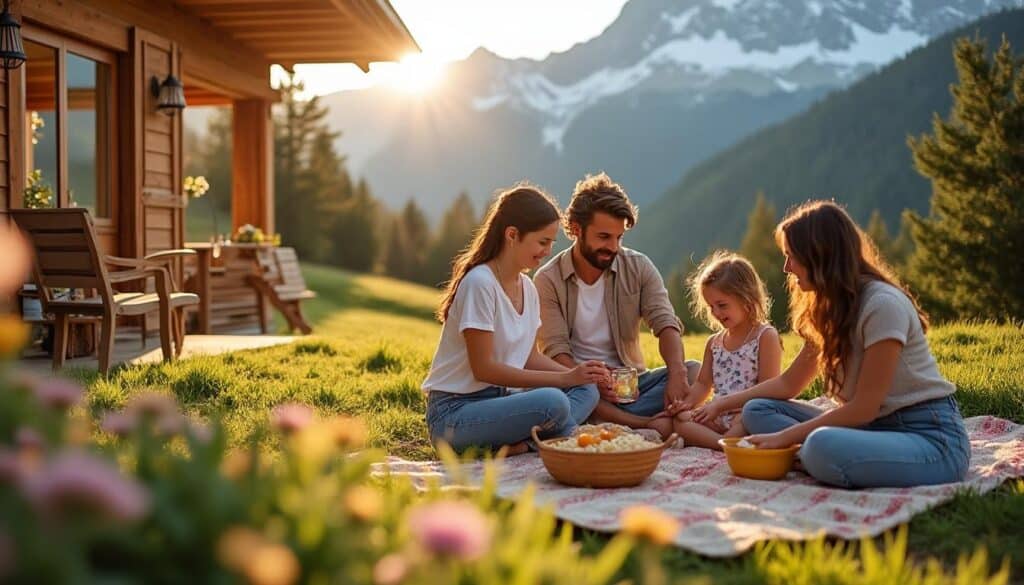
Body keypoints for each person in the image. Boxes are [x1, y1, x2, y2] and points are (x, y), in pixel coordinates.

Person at [715, 200, 970, 488]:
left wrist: (783, 438)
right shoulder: (830, 309)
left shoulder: (881, 305)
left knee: (821, 445)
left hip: (929, 438)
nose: (787, 267)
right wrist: (722, 403)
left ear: (819, 256)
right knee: (756, 410)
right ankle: (821, 456)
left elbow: (864, 408)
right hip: (869, 429)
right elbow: (788, 384)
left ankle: (812, 456)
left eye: (791, 256)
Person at [423, 184, 605, 455]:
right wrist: (564, 378)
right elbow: (483, 369)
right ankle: (561, 438)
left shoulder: (527, 288)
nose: (548, 251)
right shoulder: (480, 283)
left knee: (587, 390)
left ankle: (527, 444)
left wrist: (579, 375)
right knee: (553, 402)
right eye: (542, 242)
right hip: (454, 415)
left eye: (551, 243)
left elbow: (530, 357)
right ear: (512, 235)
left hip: (502, 402)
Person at [534, 173, 699, 435]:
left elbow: (665, 323)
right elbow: (555, 351)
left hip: (630, 385)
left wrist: (677, 375)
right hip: (578, 383)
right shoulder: (547, 280)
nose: (613, 247)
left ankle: (601, 421)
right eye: (603, 237)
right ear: (576, 229)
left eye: (618, 237)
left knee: (693, 371)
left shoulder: (638, 266)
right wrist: (589, 378)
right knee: (562, 394)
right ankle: (644, 424)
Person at [652, 251, 782, 449]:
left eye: (722, 305)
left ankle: (723, 441)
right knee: (680, 419)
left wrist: (740, 411)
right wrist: (686, 404)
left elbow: (768, 388)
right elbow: (703, 384)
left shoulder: (765, 336)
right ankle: (724, 444)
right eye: (711, 307)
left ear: (746, 298)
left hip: (747, 412)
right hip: (716, 412)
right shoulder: (714, 343)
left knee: (750, 419)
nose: (716, 313)